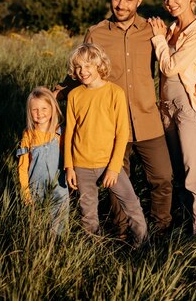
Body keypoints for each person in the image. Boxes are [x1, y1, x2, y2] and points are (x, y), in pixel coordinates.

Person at [55, 0, 173, 237]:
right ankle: (120, 234)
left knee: (163, 177)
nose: (121, 4)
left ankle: (161, 231)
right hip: (110, 126)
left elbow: (172, 64)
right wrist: (58, 92)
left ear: (139, 1)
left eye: (128, 0)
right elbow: (81, 69)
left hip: (147, 119)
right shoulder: (96, 33)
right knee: (116, 184)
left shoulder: (151, 30)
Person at [64, 43, 148, 245]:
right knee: (88, 211)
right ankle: (94, 248)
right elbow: (69, 133)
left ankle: (143, 244)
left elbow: (122, 133)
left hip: (110, 164)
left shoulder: (114, 92)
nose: (82, 72)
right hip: (81, 165)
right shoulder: (74, 95)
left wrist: (113, 167)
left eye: (87, 66)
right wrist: (69, 167)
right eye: (78, 68)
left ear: (99, 65)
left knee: (131, 204)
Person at [147, 0, 196, 233]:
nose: (170, 3)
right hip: (166, 107)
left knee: (194, 171)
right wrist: (163, 36)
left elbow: (171, 67)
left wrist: (159, 39)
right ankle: (186, 224)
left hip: (186, 106)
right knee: (178, 171)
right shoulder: (172, 30)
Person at [16, 87, 69, 235]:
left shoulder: (61, 133)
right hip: (36, 189)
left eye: (44, 108)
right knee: (36, 226)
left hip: (60, 187)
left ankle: (57, 249)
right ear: (29, 112)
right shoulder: (28, 135)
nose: (40, 113)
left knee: (59, 227)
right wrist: (25, 192)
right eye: (35, 110)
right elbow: (22, 166)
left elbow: (69, 159)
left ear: (53, 108)